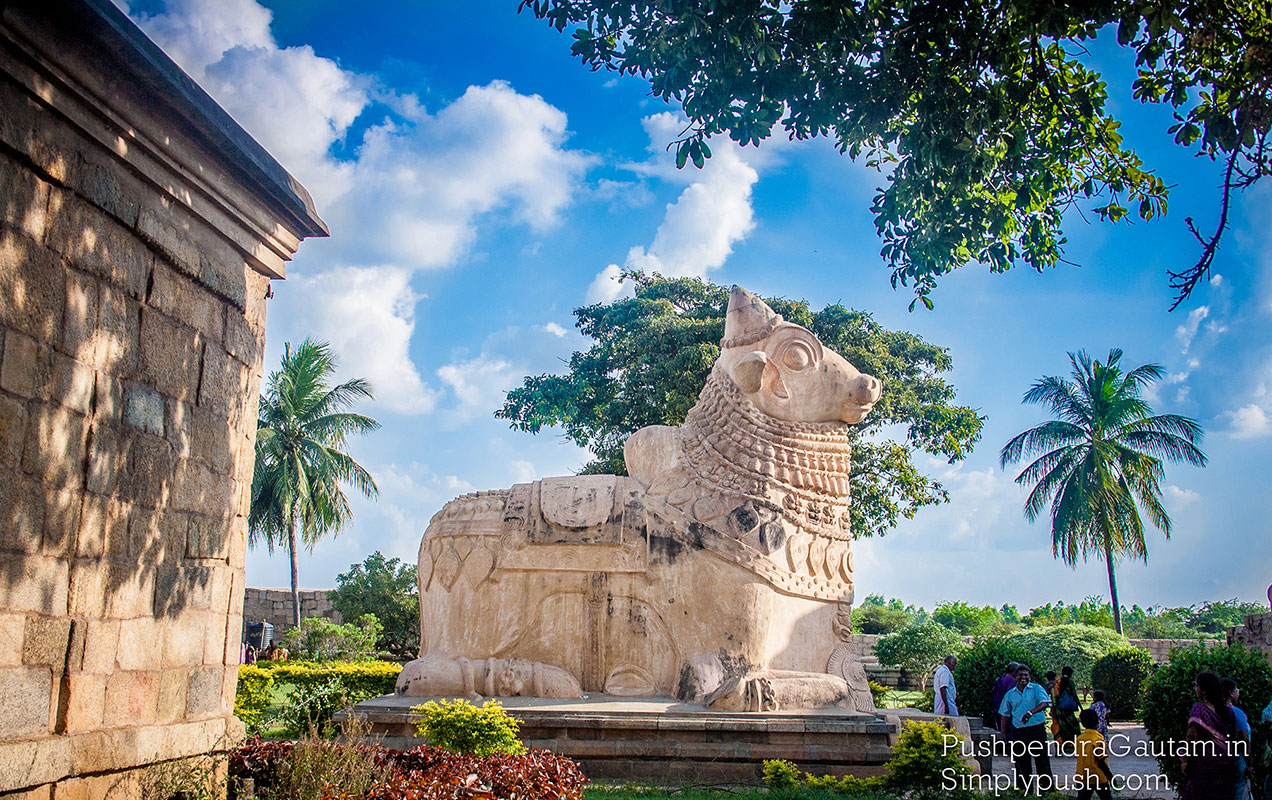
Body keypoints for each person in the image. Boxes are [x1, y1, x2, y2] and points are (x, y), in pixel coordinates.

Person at [1180, 670, 1236, 800]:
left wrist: (1185, 760)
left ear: (1204, 690)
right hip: (1225, 764)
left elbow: (1192, 737)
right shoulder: (1228, 711)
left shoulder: (1199, 709)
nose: (1195, 689)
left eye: (1197, 685)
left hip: (1204, 765)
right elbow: (1233, 737)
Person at [999, 665, 1054, 793]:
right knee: (1021, 763)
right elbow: (1005, 714)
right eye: (1020, 675)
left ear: (1029, 677)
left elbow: (1044, 703)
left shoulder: (1036, 689)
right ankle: (1025, 791)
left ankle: (1048, 792)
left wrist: (1031, 712)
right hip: (1019, 732)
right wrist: (1002, 732)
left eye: (1026, 675)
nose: (1023, 678)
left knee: (1042, 762)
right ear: (1015, 677)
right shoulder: (1010, 694)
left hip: (1036, 730)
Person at [1074, 707, 1114, 800]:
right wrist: (1110, 776)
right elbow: (1101, 761)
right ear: (1097, 722)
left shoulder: (1079, 739)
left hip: (1082, 775)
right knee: (1106, 797)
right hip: (1098, 776)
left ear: (1083, 724)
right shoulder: (1098, 739)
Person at [1224, 677, 1252, 800]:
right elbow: (1244, 740)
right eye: (1237, 690)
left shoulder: (1214, 712)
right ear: (1231, 693)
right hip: (1238, 760)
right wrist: (1249, 764)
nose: (1238, 693)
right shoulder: (1236, 712)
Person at [1054, 665, 1083, 745]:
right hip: (1069, 709)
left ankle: (1062, 745)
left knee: (1062, 727)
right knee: (1074, 727)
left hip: (1059, 708)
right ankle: (1073, 744)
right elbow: (1074, 694)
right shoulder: (1070, 682)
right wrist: (1080, 706)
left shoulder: (1057, 681)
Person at [992, 662, 1020, 730]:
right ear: (1014, 671)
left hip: (997, 707)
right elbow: (1011, 695)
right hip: (1007, 710)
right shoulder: (1011, 681)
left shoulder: (1000, 678)